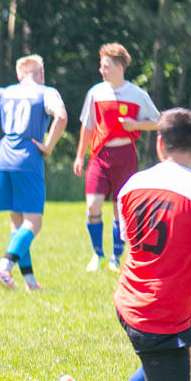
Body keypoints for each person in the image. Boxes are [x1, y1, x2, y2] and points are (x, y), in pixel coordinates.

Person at [23, 108, 191, 381]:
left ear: (159, 144)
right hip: (161, 315)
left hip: (130, 298)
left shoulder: (133, 185)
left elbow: (133, 239)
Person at [0, 54, 67, 291]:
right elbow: (61, 117)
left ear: (19, 75)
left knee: (17, 223)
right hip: (27, 159)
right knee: (34, 222)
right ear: (41, 74)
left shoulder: (4, 92)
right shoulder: (46, 92)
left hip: (4, 159)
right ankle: (4, 265)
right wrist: (49, 146)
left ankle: (29, 282)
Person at [73, 43, 159, 272]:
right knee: (92, 205)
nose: (102, 70)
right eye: (101, 66)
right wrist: (80, 156)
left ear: (120, 66)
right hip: (100, 156)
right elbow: (88, 126)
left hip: (125, 155)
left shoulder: (137, 94)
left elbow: (158, 120)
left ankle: (115, 257)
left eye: (106, 66)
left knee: (121, 208)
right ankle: (98, 254)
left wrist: (136, 124)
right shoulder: (95, 92)